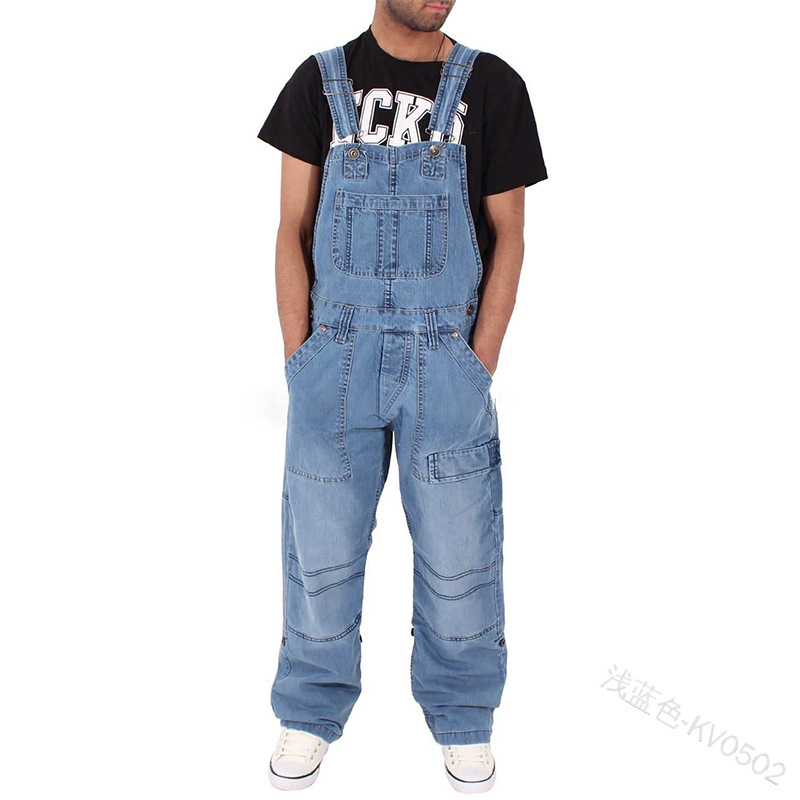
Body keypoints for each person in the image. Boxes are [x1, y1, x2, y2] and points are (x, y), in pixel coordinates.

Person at [256, 0, 547, 792]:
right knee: (319, 549)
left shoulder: (493, 86)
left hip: (444, 359)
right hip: (335, 357)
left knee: (461, 552)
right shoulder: (317, 82)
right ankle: (309, 708)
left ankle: (464, 715)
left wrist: (478, 363)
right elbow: (291, 228)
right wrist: (300, 358)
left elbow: (511, 235)